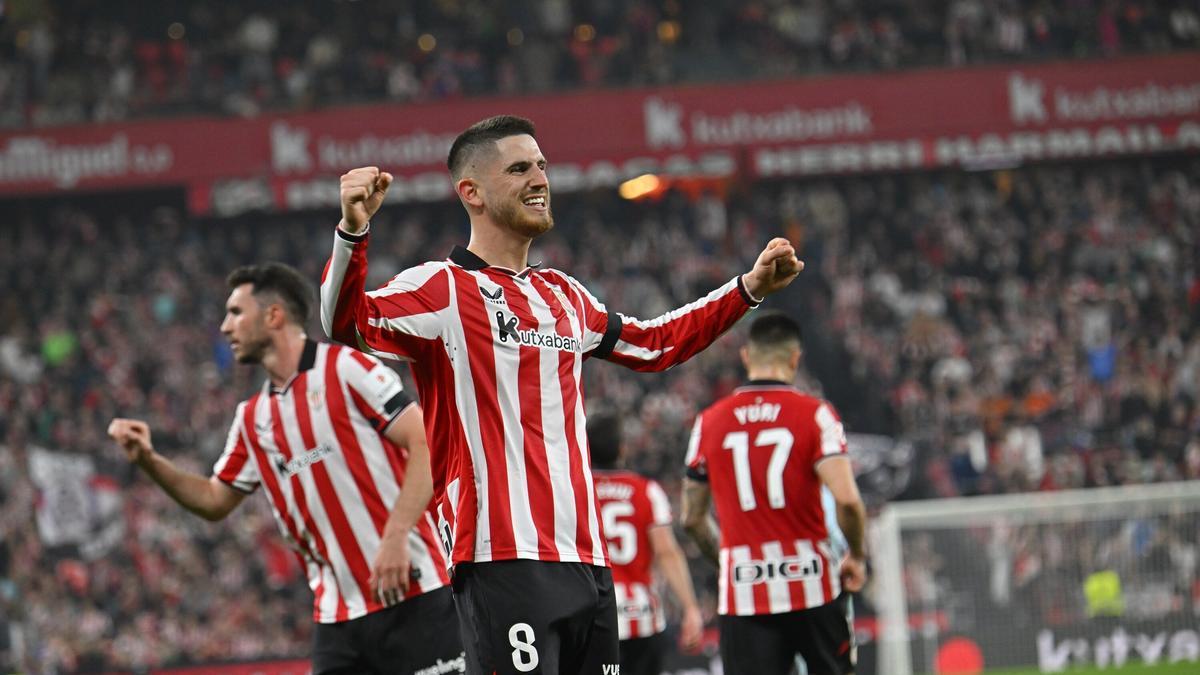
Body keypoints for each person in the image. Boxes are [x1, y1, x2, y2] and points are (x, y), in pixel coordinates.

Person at [319, 114, 803, 674]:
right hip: (501, 556)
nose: (539, 179)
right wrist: (352, 232)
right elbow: (346, 323)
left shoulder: (564, 295)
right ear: (471, 192)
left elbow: (655, 345)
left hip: (587, 561)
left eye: (542, 165)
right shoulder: (440, 288)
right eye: (519, 169)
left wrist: (748, 289)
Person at [107, 263, 465, 675]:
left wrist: (396, 536)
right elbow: (213, 499)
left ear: (273, 315)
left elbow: (424, 442)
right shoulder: (252, 419)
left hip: (416, 592)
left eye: (236, 312)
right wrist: (149, 460)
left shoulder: (346, 369)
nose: (225, 326)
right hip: (338, 618)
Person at [680, 311, 867, 675]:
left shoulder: (709, 422)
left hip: (743, 592)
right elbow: (847, 500)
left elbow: (692, 518)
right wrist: (856, 555)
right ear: (795, 358)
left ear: (746, 356)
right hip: (812, 584)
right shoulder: (816, 415)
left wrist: (729, 563)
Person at [587, 411, 705, 675]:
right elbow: (666, 552)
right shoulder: (646, 491)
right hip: (640, 615)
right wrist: (690, 608)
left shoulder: (575, 491)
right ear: (622, 449)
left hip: (593, 615)